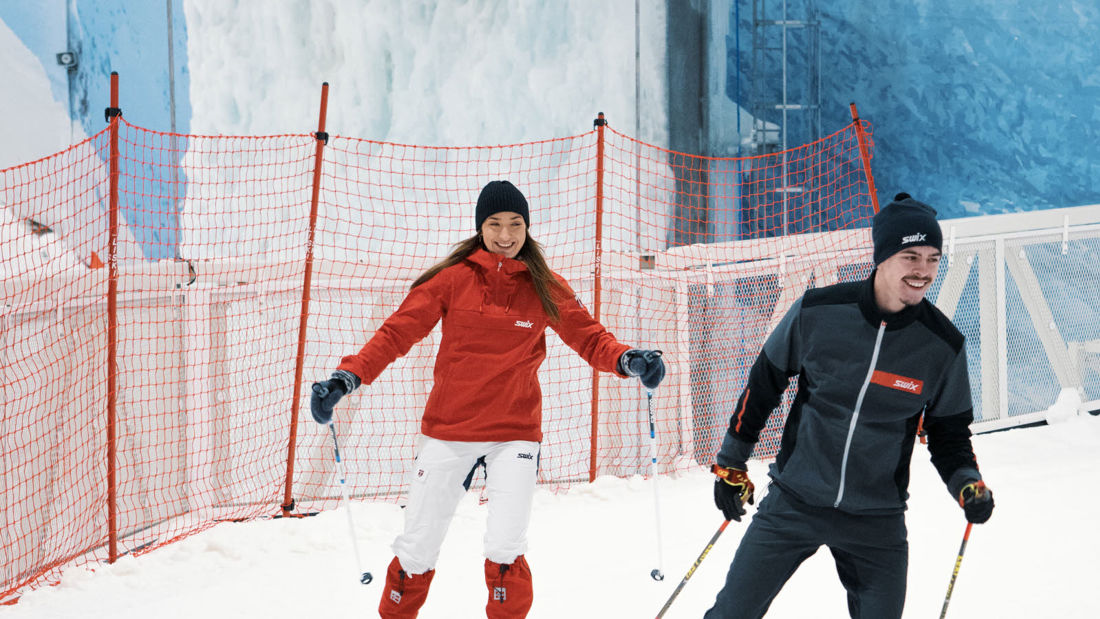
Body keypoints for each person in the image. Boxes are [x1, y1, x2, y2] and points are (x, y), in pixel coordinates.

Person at [308, 180, 666, 619]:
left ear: (527, 227)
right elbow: (396, 333)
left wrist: (629, 360)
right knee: (417, 545)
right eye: (494, 224)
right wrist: (347, 378)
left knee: (505, 545)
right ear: (480, 228)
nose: (505, 234)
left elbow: (589, 337)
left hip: (514, 433)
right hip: (449, 428)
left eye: (515, 224)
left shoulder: (544, 285)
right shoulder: (453, 280)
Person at [705, 193, 995, 619]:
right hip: (795, 500)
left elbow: (949, 435)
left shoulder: (941, 346)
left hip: (876, 519)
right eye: (910, 256)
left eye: (933, 258)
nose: (923, 271)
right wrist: (731, 463)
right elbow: (764, 384)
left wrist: (967, 483)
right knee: (731, 613)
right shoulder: (818, 311)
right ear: (882, 257)